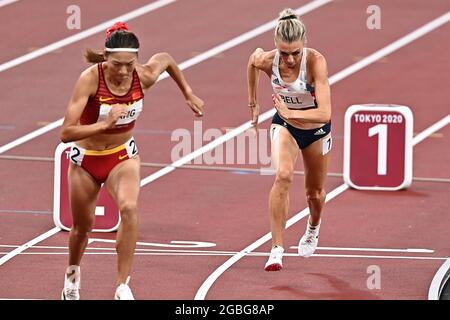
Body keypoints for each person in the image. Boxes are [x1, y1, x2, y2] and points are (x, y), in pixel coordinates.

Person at [60, 22, 204, 299]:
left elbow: (167, 60)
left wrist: (187, 91)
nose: (124, 71)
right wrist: (104, 125)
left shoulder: (144, 76)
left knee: (129, 208)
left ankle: (122, 285)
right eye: (117, 64)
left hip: (122, 156)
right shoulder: (90, 79)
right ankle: (72, 276)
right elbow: (66, 132)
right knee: (81, 228)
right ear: (105, 58)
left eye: (129, 64)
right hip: (86, 160)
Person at [247, 9, 332, 271]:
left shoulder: (315, 62)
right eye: (284, 53)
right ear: (276, 47)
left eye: (295, 52)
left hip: (316, 130)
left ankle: (312, 228)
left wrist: (289, 111)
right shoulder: (268, 60)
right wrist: (253, 102)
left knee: (314, 194)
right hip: (286, 127)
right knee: (282, 175)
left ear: (304, 44)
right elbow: (252, 62)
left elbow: (325, 112)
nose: (290, 59)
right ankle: (277, 248)